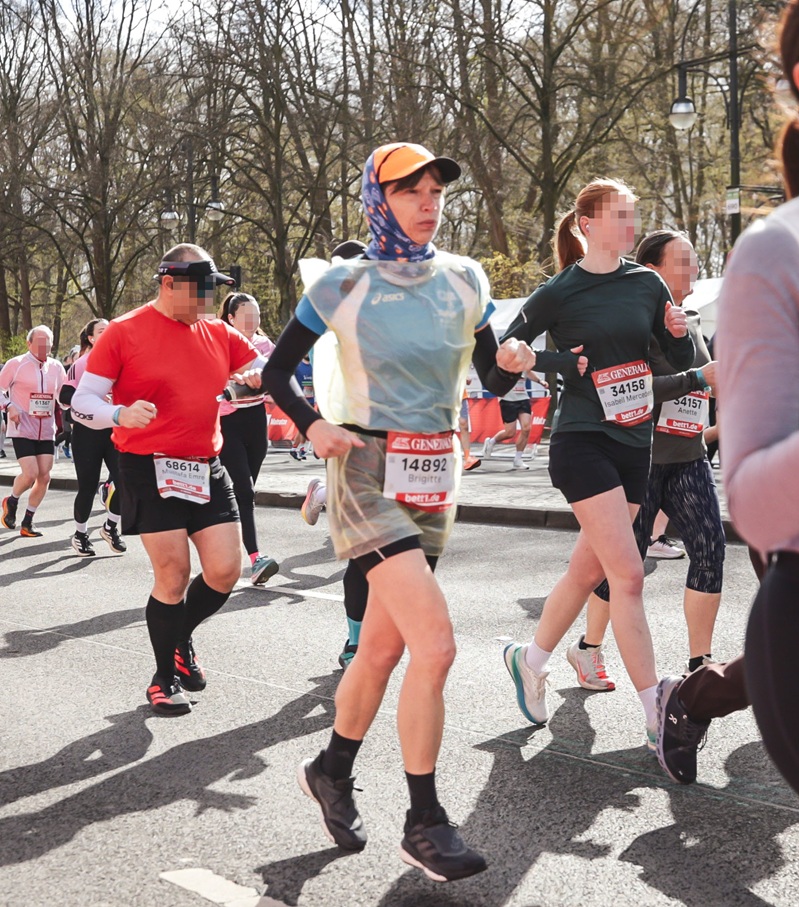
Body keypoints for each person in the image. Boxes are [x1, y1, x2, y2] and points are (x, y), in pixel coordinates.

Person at [262, 142, 545, 882]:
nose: (428, 202)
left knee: (382, 650)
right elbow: (275, 371)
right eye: (410, 190)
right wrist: (312, 424)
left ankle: (330, 768)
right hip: (363, 470)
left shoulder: (464, 278)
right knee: (436, 645)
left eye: (436, 191)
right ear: (376, 199)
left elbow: (488, 375)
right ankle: (424, 821)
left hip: (434, 473)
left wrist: (510, 363)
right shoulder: (344, 284)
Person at [657, 0, 799, 794]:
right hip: (648, 457)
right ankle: (691, 692)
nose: (685, 272)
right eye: (676, 261)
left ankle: (698, 692)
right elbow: (761, 505)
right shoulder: (775, 250)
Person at [501, 179, 694, 746]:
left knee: (587, 571)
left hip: (635, 443)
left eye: (634, 215)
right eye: (621, 216)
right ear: (587, 224)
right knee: (628, 574)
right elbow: (505, 355)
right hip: (581, 439)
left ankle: (529, 660)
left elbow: (671, 355)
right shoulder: (560, 291)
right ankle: (656, 713)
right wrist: (540, 358)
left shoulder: (647, 283)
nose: (632, 226)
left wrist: (677, 335)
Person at [71, 243, 264, 715]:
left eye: (212, 291)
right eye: (201, 291)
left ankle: (180, 637)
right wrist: (119, 413)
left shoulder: (217, 331)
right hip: (147, 466)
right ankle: (163, 678)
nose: (207, 301)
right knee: (174, 574)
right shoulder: (124, 331)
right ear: (169, 284)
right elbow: (81, 402)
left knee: (225, 570)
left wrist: (253, 377)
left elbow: (262, 365)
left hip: (205, 466)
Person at [567, 230, 724, 692]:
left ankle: (699, 662)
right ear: (652, 270)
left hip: (688, 456)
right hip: (641, 460)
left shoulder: (691, 319)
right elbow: (628, 390)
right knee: (622, 564)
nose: (694, 268)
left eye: (695, 260)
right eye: (683, 260)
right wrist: (696, 378)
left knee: (710, 548)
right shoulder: (632, 322)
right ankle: (588, 648)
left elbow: (705, 381)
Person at [217, 291, 279, 585]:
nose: (253, 321)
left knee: (245, 493)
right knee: (244, 488)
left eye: (257, 315)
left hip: (255, 421)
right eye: (247, 316)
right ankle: (255, 558)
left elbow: (279, 377)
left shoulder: (265, 346)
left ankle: (223, 537)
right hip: (227, 422)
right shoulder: (219, 343)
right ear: (231, 318)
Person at [59, 318, 127, 557]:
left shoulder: (121, 361)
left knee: (126, 481)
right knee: (87, 487)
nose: (107, 334)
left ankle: (110, 527)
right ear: (91, 338)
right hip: (87, 433)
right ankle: (80, 535)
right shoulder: (82, 363)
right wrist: (92, 399)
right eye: (101, 331)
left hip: (114, 431)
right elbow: (64, 396)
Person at [0, 325, 66, 537]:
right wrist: (9, 406)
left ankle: (28, 521)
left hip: (46, 430)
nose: (43, 347)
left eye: (47, 343)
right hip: (22, 427)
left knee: (44, 476)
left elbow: (63, 396)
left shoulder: (56, 367)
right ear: (29, 344)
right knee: (30, 474)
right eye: (39, 343)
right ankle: (11, 501)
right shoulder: (16, 364)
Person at [482, 370, 547, 469]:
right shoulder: (504, 364)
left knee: (526, 428)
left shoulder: (523, 363)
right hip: (507, 400)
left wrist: (540, 381)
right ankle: (491, 442)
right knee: (510, 433)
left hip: (523, 398)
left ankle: (518, 459)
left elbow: (528, 372)